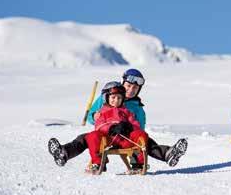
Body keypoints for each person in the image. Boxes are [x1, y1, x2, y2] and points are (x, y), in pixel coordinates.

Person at [48, 69, 188, 168]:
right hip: (105, 137)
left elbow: (140, 129)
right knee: (84, 138)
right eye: (128, 86)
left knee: (146, 140)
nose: (131, 90)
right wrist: (95, 117)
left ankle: (168, 153)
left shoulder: (137, 108)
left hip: (127, 139)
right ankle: (64, 153)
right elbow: (92, 116)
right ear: (123, 83)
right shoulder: (107, 96)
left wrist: (129, 127)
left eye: (135, 88)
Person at [49, 82, 148, 174]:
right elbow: (99, 126)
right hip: (107, 141)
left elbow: (136, 125)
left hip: (125, 140)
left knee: (141, 134)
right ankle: (98, 163)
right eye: (113, 97)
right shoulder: (102, 112)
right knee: (92, 136)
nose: (116, 100)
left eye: (119, 98)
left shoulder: (127, 112)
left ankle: (138, 164)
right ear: (106, 98)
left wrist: (129, 127)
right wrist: (111, 128)